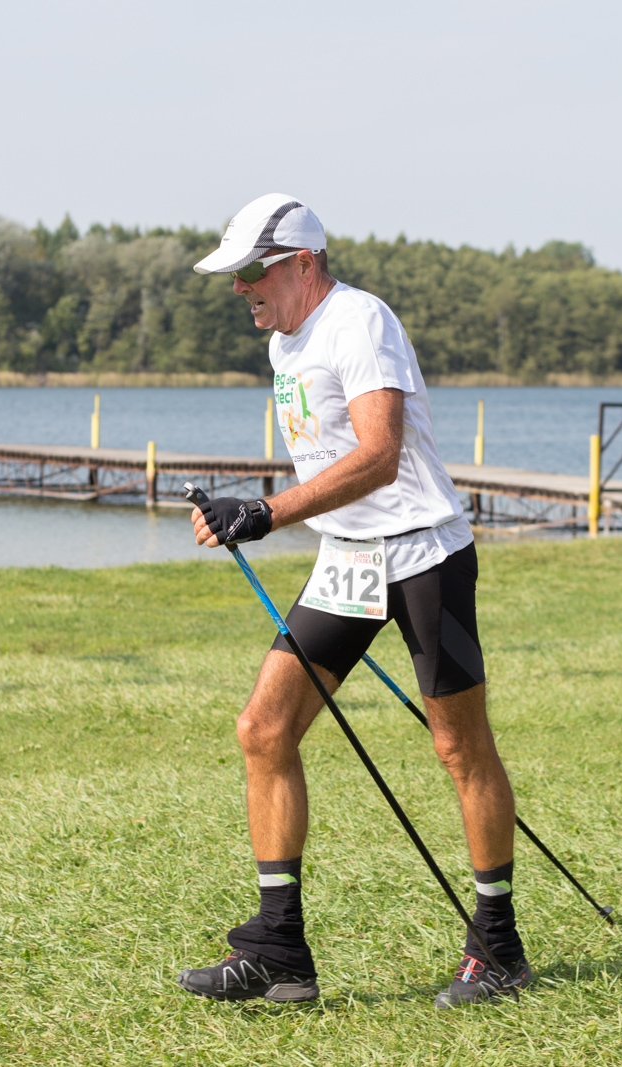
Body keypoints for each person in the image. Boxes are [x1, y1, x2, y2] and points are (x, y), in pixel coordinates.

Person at [178, 194, 531, 1008]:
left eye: (253, 271)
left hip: (424, 555)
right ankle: (279, 950)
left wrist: (264, 511)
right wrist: (250, 512)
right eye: (235, 275)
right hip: (348, 558)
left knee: (459, 746)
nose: (240, 288)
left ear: (303, 263)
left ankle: (500, 947)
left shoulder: (360, 321)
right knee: (263, 728)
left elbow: (379, 455)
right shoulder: (284, 341)